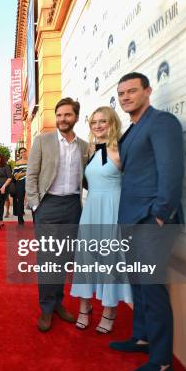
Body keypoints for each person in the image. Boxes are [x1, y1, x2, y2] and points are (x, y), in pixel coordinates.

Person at [109, 72, 183, 371]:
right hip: (131, 221)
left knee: (153, 292)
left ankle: (162, 361)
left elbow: (171, 171)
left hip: (151, 223)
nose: (126, 97)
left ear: (147, 91)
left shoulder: (162, 122)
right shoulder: (132, 130)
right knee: (138, 286)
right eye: (121, 93)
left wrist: (160, 216)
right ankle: (141, 338)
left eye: (132, 91)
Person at [26, 97, 89, 332]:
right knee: (48, 260)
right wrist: (36, 206)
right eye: (59, 115)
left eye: (67, 115)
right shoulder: (43, 141)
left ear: (76, 117)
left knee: (63, 259)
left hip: (73, 206)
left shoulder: (84, 146)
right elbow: (31, 176)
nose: (62, 119)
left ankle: (58, 303)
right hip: (48, 206)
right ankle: (46, 308)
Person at [69, 107, 132, 334]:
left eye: (102, 121)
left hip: (112, 210)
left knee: (109, 260)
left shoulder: (121, 151)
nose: (97, 125)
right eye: (94, 121)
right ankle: (84, 308)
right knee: (86, 259)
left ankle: (109, 311)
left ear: (112, 123)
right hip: (91, 210)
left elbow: (133, 184)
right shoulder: (91, 150)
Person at [12, 147, 28, 224]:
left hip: (30, 182)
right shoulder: (18, 163)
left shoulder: (31, 161)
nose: (23, 153)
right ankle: (20, 219)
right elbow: (15, 175)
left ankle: (36, 219)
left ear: (26, 152)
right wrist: (26, 173)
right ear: (20, 154)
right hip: (20, 183)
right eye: (21, 152)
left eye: (24, 151)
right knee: (20, 201)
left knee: (32, 200)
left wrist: (22, 174)